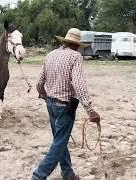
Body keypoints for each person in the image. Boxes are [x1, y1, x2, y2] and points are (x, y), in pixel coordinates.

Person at [32, 28, 101, 180]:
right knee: (59, 143)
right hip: (65, 107)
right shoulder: (75, 56)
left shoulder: (51, 54)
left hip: (50, 103)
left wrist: (44, 95)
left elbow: (39, 82)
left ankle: (67, 173)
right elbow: (78, 84)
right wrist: (90, 111)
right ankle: (38, 176)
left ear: (64, 41)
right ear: (76, 45)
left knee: (59, 140)